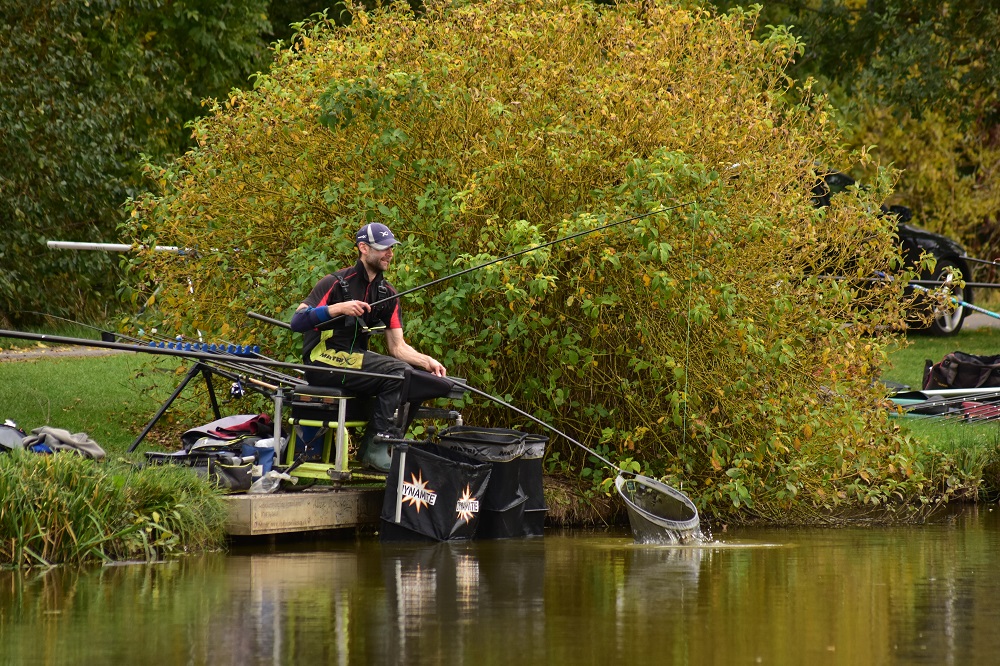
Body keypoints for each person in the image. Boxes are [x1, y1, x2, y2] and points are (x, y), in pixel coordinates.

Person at [289, 222, 451, 472]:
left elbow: (398, 348)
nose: (390, 253)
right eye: (383, 248)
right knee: (399, 373)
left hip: (355, 361)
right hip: (322, 360)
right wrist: (339, 308)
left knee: (416, 377)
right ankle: (374, 448)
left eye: (392, 248)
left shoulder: (388, 293)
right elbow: (297, 321)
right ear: (363, 248)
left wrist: (425, 360)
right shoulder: (335, 282)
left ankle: (387, 445)